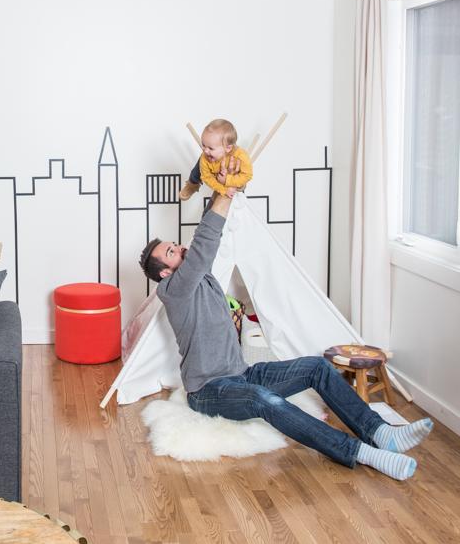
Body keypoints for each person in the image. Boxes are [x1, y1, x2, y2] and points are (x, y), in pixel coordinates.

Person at [138, 193, 433, 480]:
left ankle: (380, 432)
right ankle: (361, 453)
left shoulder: (200, 275)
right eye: (172, 252)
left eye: (176, 244)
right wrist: (225, 194)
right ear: (165, 273)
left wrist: (220, 188)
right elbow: (204, 243)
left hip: (241, 374)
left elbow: (206, 233)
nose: (180, 248)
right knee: (263, 400)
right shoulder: (173, 291)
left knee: (317, 367)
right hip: (209, 390)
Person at [179, 118, 253, 201]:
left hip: (232, 174)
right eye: (203, 145)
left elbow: (247, 175)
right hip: (214, 171)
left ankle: (239, 189)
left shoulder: (241, 157)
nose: (205, 150)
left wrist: (227, 180)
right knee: (199, 166)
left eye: (211, 148)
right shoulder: (205, 156)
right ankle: (192, 183)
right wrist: (223, 190)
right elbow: (207, 178)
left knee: (240, 183)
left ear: (228, 148)